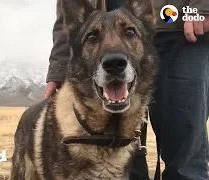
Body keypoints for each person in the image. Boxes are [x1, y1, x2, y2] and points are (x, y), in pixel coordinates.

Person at [44, 0, 209, 180]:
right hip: (103, 20)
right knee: (127, 167)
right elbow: (70, 14)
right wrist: (59, 66)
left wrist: (203, 7)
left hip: (180, 30)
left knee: (185, 155)